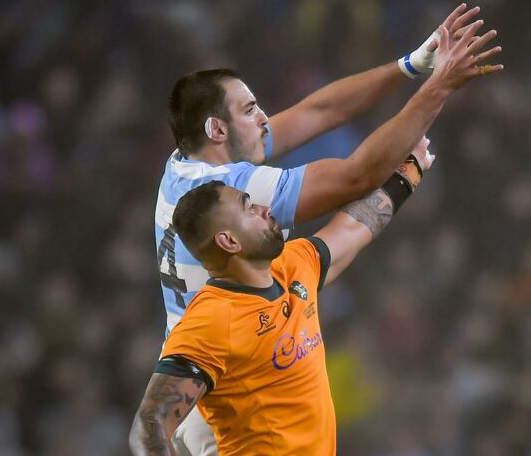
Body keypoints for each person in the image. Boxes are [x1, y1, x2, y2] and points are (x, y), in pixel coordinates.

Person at [154, 3, 502, 453]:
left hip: (211, 379)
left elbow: (318, 111)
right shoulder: (235, 189)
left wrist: (412, 65)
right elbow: (356, 176)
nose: (264, 118)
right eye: (250, 109)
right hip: (236, 399)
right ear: (217, 129)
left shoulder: (187, 164)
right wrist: (440, 87)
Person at [131, 135, 435, 455]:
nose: (264, 209)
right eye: (248, 208)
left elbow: (355, 228)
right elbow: (149, 424)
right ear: (229, 241)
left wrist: (411, 170)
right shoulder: (212, 320)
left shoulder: (294, 264)